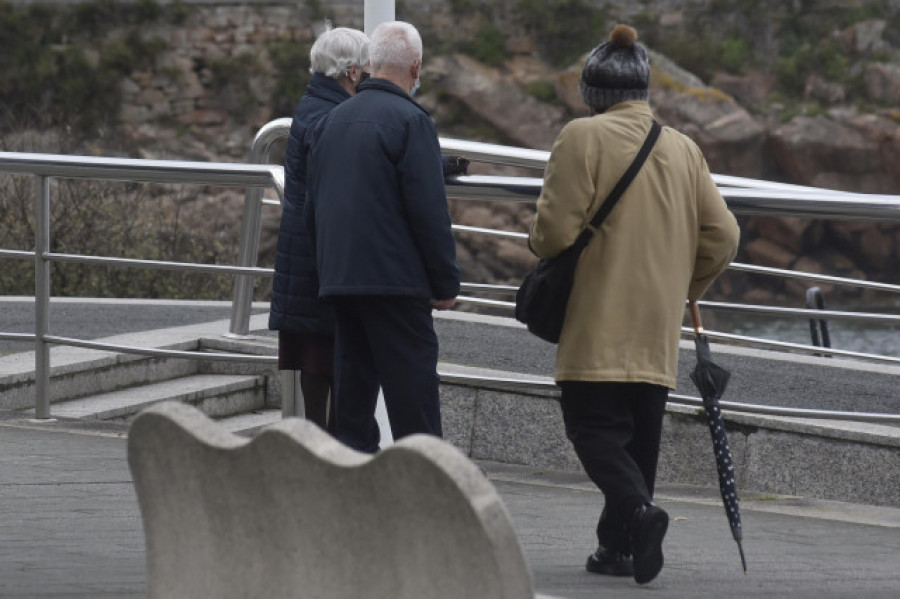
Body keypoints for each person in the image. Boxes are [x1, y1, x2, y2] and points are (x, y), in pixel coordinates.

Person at [528, 25, 740, 585]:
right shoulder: (684, 147)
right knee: (639, 438)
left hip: (598, 317)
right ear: (644, 93)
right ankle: (617, 549)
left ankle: (640, 513)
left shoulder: (582, 137)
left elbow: (552, 234)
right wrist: (685, 289)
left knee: (592, 427)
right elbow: (724, 237)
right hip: (656, 324)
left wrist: (537, 241)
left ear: (593, 94)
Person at [305, 21, 460, 453]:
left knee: (352, 403)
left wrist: (328, 270)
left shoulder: (330, 121)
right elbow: (428, 212)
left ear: (370, 65)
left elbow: (312, 207)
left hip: (340, 281)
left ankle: (350, 490)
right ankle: (426, 490)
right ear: (415, 67)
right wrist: (446, 284)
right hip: (396, 285)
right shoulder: (413, 122)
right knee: (414, 405)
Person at [268, 26, 369, 432]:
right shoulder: (333, 117)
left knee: (316, 363)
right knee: (331, 359)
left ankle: (320, 449)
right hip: (323, 258)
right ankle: (328, 459)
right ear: (353, 73)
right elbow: (367, 161)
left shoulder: (311, 107)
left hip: (305, 255)